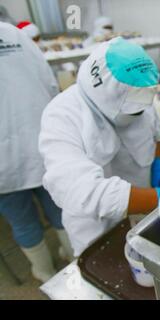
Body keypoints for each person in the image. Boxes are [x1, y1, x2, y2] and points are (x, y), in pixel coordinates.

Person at [39, 37, 160, 257]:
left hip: (144, 211)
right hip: (96, 229)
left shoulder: (138, 92)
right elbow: (82, 192)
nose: (139, 114)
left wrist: (157, 163)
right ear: (108, 100)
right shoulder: (61, 116)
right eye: (133, 111)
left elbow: (155, 132)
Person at [0, 22, 72, 282]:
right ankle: (74, 258)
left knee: (22, 222)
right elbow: (51, 85)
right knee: (58, 208)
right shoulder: (16, 34)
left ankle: (44, 272)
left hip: (3, 167)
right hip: (41, 144)